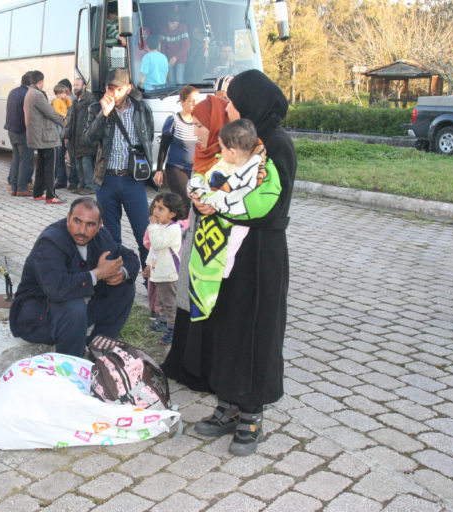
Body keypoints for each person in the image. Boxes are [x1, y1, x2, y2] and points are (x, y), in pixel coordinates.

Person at [162, 69, 296, 457]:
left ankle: (251, 414)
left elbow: (273, 209)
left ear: (254, 102)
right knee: (225, 326)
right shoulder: (241, 140)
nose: (230, 107)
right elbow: (218, 179)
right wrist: (204, 199)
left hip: (259, 257)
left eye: (235, 101)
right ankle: (227, 406)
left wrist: (221, 207)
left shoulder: (276, 145)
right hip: (226, 255)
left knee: (254, 332)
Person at [9, 197, 139, 357]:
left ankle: (99, 348)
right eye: (77, 221)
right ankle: (72, 364)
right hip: (37, 318)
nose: (82, 230)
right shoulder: (50, 241)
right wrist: (98, 273)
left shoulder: (101, 236)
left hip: (72, 313)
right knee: (73, 306)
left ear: (100, 226)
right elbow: (56, 289)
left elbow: (129, 256)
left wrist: (122, 273)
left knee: (124, 287)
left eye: (90, 224)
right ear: (68, 217)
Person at [82, 68, 154, 268]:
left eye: (118, 89)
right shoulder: (96, 108)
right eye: (109, 88)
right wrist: (103, 115)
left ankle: (150, 286)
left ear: (128, 88)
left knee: (144, 235)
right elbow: (87, 140)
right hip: (107, 180)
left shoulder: (141, 109)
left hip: (133, 180)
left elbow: (147, 140)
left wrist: (153, 170)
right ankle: (115, 285)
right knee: (110, 239)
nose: (113, 93)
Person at [187, 118, 264, 214]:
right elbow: (202, 175)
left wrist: (203, 195)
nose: (221, 152)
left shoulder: (243, 172)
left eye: (222, 148)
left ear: (232, 152)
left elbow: (229, 196)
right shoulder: (226, 162)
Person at [143, 192, 185, 344]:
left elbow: (158, 243)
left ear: (172, 214)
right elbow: (153, 248)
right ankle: (162, 324)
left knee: (169, 304)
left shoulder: (173, 229)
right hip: (158, 272)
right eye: (155, 207)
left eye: (161, 209)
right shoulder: (161, 226)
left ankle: (173, 331)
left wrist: (153, 226)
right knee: (160, 301)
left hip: (168, 275)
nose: (155, 211)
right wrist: (148, 264)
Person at [154, 85, 200, 212]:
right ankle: (180, 229)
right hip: (176, 169)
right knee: (185, 201)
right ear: (183, 102)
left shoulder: (199, 121)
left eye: (197, 100)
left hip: (195, 170)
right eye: (191, 101)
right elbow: (163, 147)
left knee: (196, 202)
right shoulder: (173, 121)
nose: (194, 104)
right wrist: (159, 170)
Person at [24, 70, 65, 204]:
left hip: (38, 136)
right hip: (47, 137)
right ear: (40, 81)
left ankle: (38, 192)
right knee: (51, 167)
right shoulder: (37, 94)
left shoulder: (29, 93)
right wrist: (62, 121)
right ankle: (51, 195)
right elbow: (50, 112)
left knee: (41, 165)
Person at [64, 77, 96, 195]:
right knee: (78, 163)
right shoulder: (75, 101)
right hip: (75, 138)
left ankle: (89, 186)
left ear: (84, 86)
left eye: (78, 85)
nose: (75, 87)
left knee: (86, 163)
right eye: (74, 85)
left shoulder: (90, 100)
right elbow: (70, 120)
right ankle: (82, 185)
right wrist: (67, 136)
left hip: (85, 137)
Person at [5, 71, 34, 196]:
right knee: (25, 159)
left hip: (11, 130)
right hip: (22, 130)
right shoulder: (27, 94)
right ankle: (22, 188)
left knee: (16, 157)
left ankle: (13, 185)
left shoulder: (13, 91)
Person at [51, 82, 77, 191]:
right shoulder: (57, 101)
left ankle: (69, 181)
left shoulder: (70, 101)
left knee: (67, 157)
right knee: (61, 157)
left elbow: (70, 112)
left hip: (67, 132)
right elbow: (57, 112)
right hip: (62, 130)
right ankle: (63, 180)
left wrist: (67, 98)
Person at [160, 12, 190, 84]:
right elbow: (163, 47)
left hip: (180, 58)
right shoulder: (164, 30)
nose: (171, 25)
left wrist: (175, 58)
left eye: (173, 23)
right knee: (171, 80)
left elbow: (186, 46)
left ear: (178, 22)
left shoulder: (182, 29)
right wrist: (165, 60)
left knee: (179, 80)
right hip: (169, 59)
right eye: (170, 23)